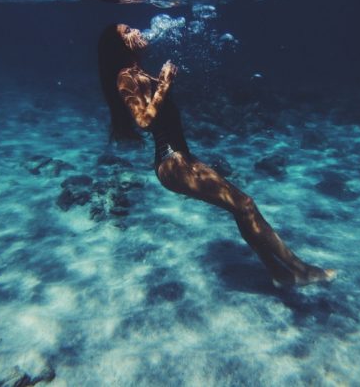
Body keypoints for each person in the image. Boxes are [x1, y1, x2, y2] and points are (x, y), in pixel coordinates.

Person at [97, 23, 336, 287]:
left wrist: (163, 84)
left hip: (178, 159)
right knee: (245, 204)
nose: (137, 30)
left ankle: (279, 272)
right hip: (171, 160)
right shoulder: (125, 76)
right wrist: (164, 84)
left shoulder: (137, 72)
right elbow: (143, 121)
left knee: (240, 209)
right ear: (121, 46)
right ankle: (300, 270)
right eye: (128, 31)